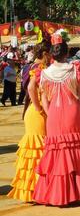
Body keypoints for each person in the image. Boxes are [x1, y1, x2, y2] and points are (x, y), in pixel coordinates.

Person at [33, 34, 80, 206]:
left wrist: (51, 114)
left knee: (57, 154)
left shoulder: (44, 73)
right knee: (78, 151)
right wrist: (77, 111)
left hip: (54, 115)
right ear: (66, 53)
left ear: (51, 54)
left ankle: (59, 195)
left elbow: (44, 99)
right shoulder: (74, 68)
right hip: (73, 111)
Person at [7, 42, 51, 202]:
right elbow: (31, 88)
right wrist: (40, 107)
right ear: (46, 53)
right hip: (37, 113)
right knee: (39, 151)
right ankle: (40, 190)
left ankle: (34, 191)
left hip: (33, 111)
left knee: (35, 152)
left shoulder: (32, 66)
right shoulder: (40, 68)